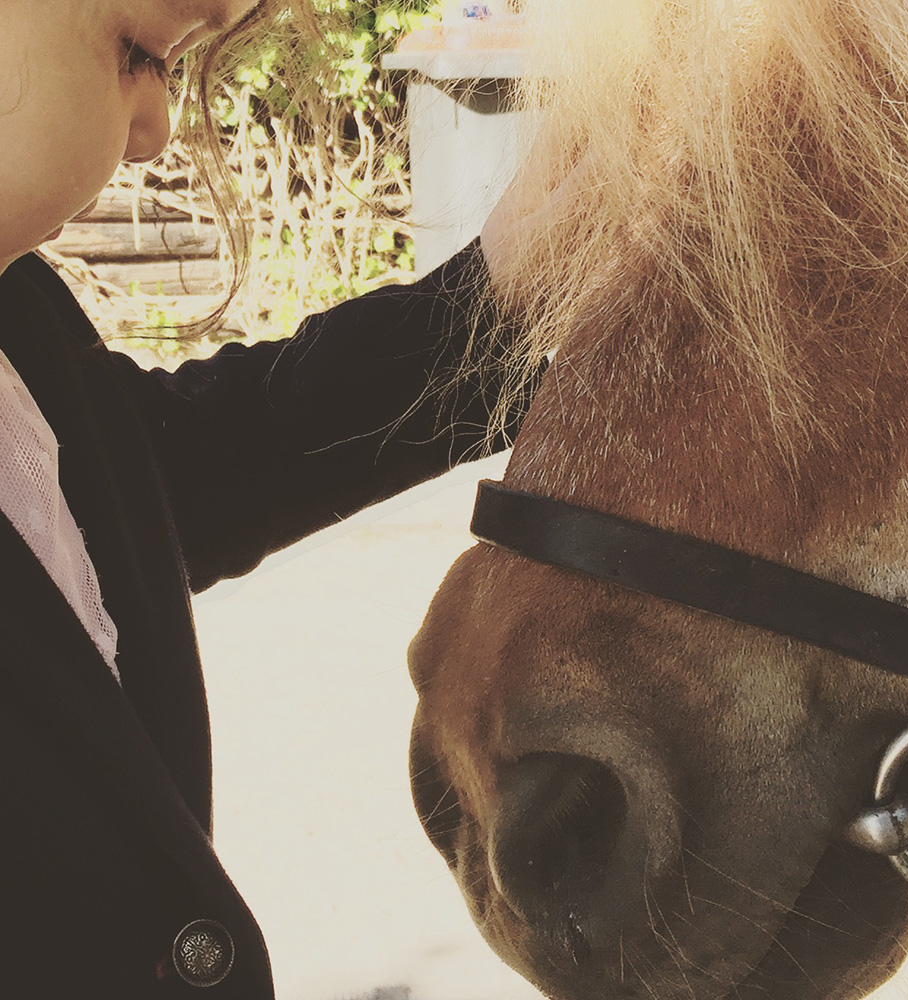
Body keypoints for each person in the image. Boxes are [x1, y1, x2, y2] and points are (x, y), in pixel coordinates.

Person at [0, 1, 535, 996]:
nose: (154, 131)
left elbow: (150, 489)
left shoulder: (18, 323)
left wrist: (506, 287)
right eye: (139, 54)